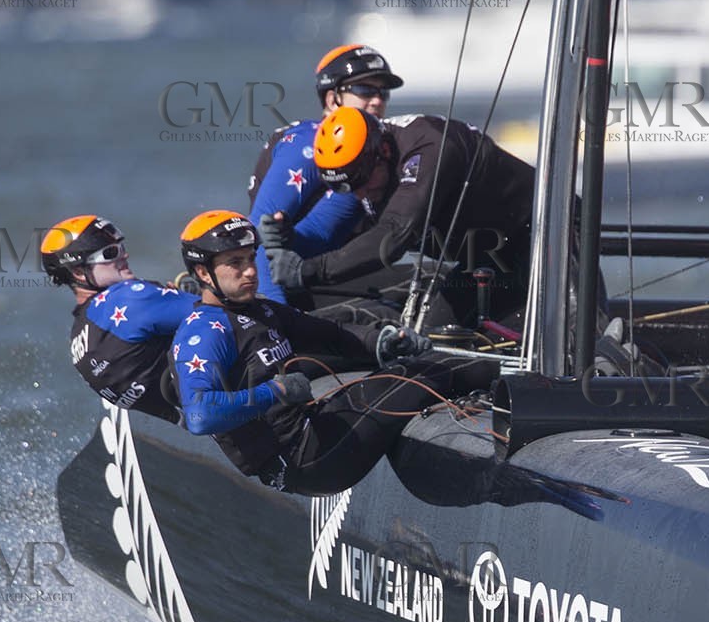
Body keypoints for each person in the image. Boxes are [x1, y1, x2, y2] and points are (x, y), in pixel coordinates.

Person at [170, 210, 495, 495]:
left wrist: (380, 341)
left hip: (313, 431)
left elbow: (330, 335)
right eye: (235, 263)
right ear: (202, 273)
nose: (251, 271)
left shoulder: (260, 311)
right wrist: (276, 391)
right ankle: (515, 391)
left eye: (251, 259)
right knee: (426, 373)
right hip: (302, 460)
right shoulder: (203, 334)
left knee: (416, 365)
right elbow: (200, 416)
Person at [265, 107, 537, 329]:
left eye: (359, 181)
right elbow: (355, 239)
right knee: (437, 340)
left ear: (383, 152)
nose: (358, 194)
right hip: (487, 261)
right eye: (342, 188)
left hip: (546, 239)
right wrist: (292, 239)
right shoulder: (372, 173)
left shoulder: (429, 148)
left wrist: (307, 270)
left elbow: (393, 236)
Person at [246, 43, 406, 307]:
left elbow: (321, 234)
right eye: (365, 90)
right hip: (286, 286)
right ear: (333, 99)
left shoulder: (376, 152)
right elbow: (257, 242)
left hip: (325, 273)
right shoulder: (307, 144)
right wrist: (275, 323)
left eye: (383, 92)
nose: (377, 100)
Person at [44, 214, 194, 422]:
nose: (125, 255)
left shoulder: (78, 337)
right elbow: (224, 312)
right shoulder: (125, 298)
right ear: (79, 271)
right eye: (111, 252)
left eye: (121, 248)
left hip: (183, 422)